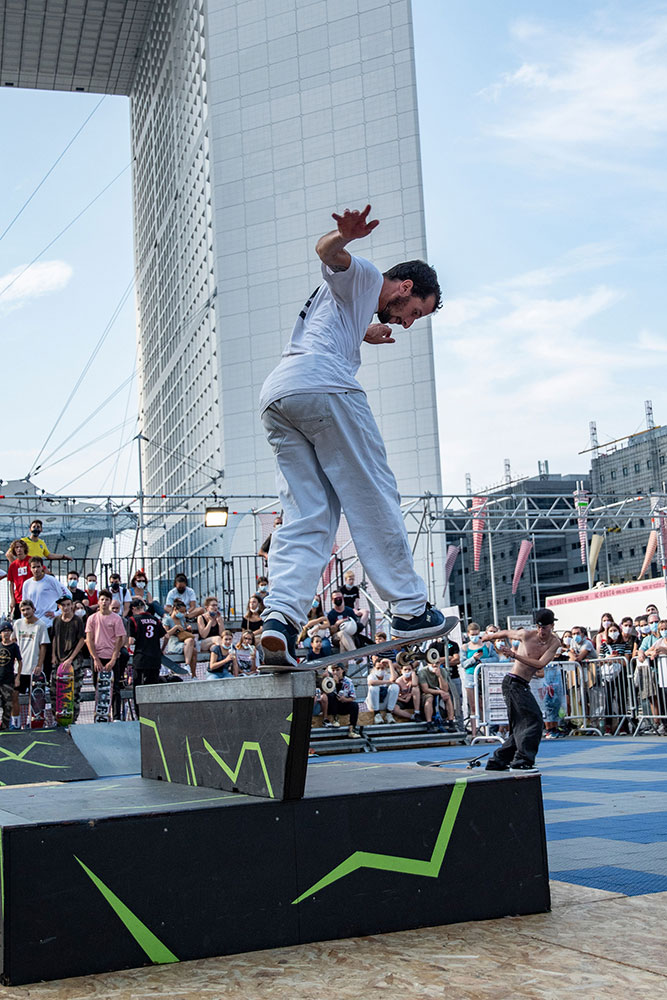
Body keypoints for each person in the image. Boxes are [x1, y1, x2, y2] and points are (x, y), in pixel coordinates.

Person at [259, 204, 445, 665]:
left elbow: (335, 317)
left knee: (308, 515)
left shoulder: (350, 300)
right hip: (326, 387)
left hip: (280, 396)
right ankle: (409, 608)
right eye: (413, 312)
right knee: (371, 493)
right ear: (405, 287)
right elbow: (328, 254)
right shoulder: (364, 275)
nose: (406, 322)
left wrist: (366, 333)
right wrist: (341, 237)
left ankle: (279, 619)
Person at [484, 609, 561, 772]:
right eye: (539, 627)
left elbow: (540, 664)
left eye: (545, 628)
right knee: (534, 720)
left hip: (522, 685)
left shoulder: (555, 643)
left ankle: (499, 760)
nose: (541, 631)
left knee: (522, 725)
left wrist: (514, 655)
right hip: (512, 683)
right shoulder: (526, 635)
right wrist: (487, 637)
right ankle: (522, 759)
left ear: (552, 626)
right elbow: (505, 632)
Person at [85, 589, 128, 720]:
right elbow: (89, 639)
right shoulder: (92, 618)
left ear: (110, 602)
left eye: (107, 600)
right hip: (98, 656)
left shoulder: (116, 619)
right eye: (102, 599)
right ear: (98, 601)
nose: (104, 602)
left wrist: (114, 658)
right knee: (98, 687)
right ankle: (100, 715)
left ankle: (116, 716)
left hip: (112, 657)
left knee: (114, 689)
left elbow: (120, 639)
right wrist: (95, 658)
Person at [11, 600, 49, 728]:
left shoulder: (41, 625)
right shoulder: (17, 624)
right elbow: (13, 641)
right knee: (14, 695)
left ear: (33, 609)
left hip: (34, 669)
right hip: (19, 669)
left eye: (28, 609)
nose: (25, 612)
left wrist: (39, 665)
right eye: (23, 610)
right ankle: (15, 723)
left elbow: (43, 646)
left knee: (32, 699)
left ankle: (31, 722)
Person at [49, 594, 87, 722]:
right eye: (63, 605)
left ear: (72, 606)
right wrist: (53, 655)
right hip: (59, 660)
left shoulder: (77, 621)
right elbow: (54, 638)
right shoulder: (57, 620)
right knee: (55, 691)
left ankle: (73, 719)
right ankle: (57, 718)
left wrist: (71, 658)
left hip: (73, 661)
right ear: (59, 607)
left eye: (68, 605)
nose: (66, 608)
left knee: (74, 692)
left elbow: (82, 640)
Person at [127, 598, 166, 706]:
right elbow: (166, 635)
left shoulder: (133, 620)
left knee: (138, 689)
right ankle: (152, 713)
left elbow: (131, 640)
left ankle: (140, 714)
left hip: (140, 658)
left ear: (134, 609)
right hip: (155, 659)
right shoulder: (155, 619)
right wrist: (161, 649)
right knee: (152, 689)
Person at [21, 557, 68, 633]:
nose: (36, 569)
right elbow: (24, 604)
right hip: (33, 623)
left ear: (42, 567)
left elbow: (67, 595)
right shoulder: (27, 584)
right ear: (30, 568)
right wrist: (24, 621)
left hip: (49, 623)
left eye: (38, 566)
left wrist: (57, 613)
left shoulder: (51, 580)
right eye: (34, 567)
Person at [6, 518, 72, 563]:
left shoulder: (41, 543)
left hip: (37, 570)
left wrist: (63, 556)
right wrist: (16, 566)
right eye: (34, 527)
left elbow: (49, 555)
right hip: (26, 570)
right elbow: (8, 554)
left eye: (38, 527)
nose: (36, 529)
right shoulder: (23, 541)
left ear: (41, 529)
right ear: (30, 529)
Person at [417, 659, 456, 733]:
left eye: (437, 663)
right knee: (429, 698)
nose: (435, 665)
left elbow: (445, 689)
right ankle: (429, 723)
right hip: (428, 692)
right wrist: (439, 691)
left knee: (447, 696)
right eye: (432, 663)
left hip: (440, 691)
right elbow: (425, 689)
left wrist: (439, 676)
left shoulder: (443, 671)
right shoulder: (422, 672)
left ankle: (451, 721)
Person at [163, 599, 198, 678]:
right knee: (190, 642)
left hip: (184, 642)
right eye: (181, 611)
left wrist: (188, 629)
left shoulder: (182, 619)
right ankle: (187, 665)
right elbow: (165, 634)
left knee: (194, 650)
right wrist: (175, 628)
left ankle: (193, 675)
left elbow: (184, 630)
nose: (183, 614)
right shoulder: (167, 619)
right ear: (175, 609)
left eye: (184, 612)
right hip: (174, 643)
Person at [324, 664, 361, 738]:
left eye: (338, 670)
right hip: (331, 706)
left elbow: (353, 697)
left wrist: (345, 699)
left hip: (343, 704)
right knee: (332, 696)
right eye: (333, 670)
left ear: (342, 670)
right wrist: (336, 684)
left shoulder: (348, 681)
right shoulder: (329, 680)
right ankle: (335, 719)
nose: (335, 672)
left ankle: (352, 729)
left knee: (354, 705)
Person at [0, 622, 21, 730]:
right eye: (4, 631)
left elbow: (20, 661)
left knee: (7, 704)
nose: (6, 633)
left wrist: (17, 677)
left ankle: (5, 726)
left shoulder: (14, 646)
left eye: (8, 631)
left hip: (8, 680)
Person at [366, 658, 399, 724]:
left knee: (395, 687)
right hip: (373, 704)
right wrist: (387, 682)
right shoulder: (371, 676)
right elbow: (371, 682)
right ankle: (377, 714)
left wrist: (390, 663)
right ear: (374, 668)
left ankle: (389, 713)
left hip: (384, 703)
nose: (380, 670)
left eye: (382, 668)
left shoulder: (387, 675)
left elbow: (394, 679)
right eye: (378, 668)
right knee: (374, 688)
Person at [6, 539, 31, 620]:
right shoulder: (13, 565)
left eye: (21, 547)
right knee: (18, 622)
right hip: (18, 599)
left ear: (24, 548)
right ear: (14, 550)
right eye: (16, 547)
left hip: (31, 597)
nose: (19, 549)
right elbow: (11, 583)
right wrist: (12, 599)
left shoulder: (31, 561)